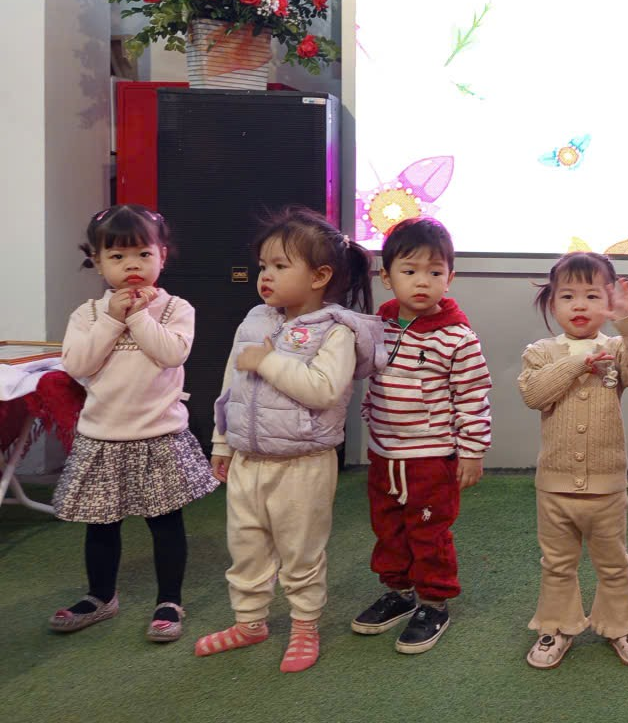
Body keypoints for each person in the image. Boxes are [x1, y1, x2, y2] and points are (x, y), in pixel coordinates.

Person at [194, 208, 384, 673]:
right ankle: (250, 622)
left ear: (320, 276)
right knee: (246, 546)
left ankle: (304, 626)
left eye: (280, 266)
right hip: (248, 459)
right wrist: (222, 443)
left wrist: (268, 362)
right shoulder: (255, 321)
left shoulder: (336, 331)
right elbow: (231, 385)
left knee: (300, 551)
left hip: (303, 462)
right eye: (264, 265)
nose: (266, 275)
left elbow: (323, 390)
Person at [50, 205, 217, 641]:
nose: (132, 266)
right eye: (117, 256)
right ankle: (101, 596)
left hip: (158, 436)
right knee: (101, 524)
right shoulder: (88, 314)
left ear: (162, 255)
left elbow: (171, 354)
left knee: (165, 523)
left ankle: (169, 600)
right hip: (102, 437)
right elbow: (77, 365)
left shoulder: (175, 308)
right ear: (98, 261)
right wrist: (112, 319)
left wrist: (138, 316)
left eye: (143, 254)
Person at [351, 217, 492, 654]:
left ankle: (434, 601)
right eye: (409, 270)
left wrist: (472, 452)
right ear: (386, 276)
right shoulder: (379, 325)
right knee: (388, 528)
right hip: (385, 454)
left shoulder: (458, 337)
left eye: (435, 272)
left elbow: (473, 396)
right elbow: (370, 377)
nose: (422, 282)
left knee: (428, 532)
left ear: (450, 277)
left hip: (431, 457)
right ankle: (399, 592)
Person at [518, 251, 628, 669]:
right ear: (552, 303)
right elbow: (534, 394)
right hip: (554, 486)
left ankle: (622, 624)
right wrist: (579, 362)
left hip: (607, 486)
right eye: (568, 296)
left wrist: (627, 321)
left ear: (609, 300)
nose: (579, 305)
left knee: (614, 562)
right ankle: (556, 627)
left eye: (592, 296)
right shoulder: (541, 352)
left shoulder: (616, 348)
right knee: (557, 564)